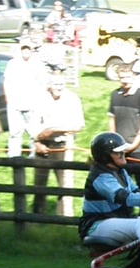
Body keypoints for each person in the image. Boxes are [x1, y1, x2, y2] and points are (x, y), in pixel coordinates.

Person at [32, 74, 85, 216]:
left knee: (65, 183)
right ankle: (37, 216)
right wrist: (37, 141)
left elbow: (79, 125)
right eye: (56, 84)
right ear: (49, 85)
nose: (59, 88)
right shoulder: (40, 98)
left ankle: (65, 218)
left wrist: (54, 130)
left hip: (63, 144)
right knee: (39, 182)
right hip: (42, 144)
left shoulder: (72, 99)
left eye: (62, 84)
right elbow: (33, 123)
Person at [108, 63, 140, 214]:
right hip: (120, 148)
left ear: (133, 77)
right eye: (122, 77)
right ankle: (125, 213)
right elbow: (111, 120)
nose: (125, 80)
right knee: (122, 182)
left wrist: (133, 145)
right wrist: (114, 142)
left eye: (128, 77)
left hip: (139, 148)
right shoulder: (114, 95)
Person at [3, 39, 48, 158]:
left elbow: (43, 83)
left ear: (32, 50)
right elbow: (7, 82)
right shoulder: (12, 64)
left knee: (34, 132)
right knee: (15, 132)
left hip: (33, 104)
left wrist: (40, 100)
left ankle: (34, 154)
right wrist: (8, 98)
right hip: (15, 104)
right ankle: (13, 155)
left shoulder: (38, 64)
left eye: (28, 49)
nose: (26, 51)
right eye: (23, 49)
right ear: (20, 50)